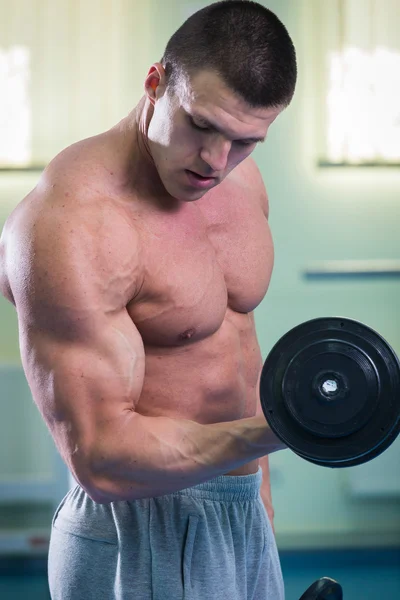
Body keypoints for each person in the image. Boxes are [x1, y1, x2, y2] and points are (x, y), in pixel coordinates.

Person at [0, 1, 297, 598]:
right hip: (140, 526)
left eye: (244, 140)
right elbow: (102, 455)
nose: (216, 161)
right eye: (202, 125)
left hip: (238, 515)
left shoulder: (241, 181)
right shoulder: (71, 222)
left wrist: (259, 508)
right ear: (156, 83)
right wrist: (285, 428)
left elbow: (239, 349)